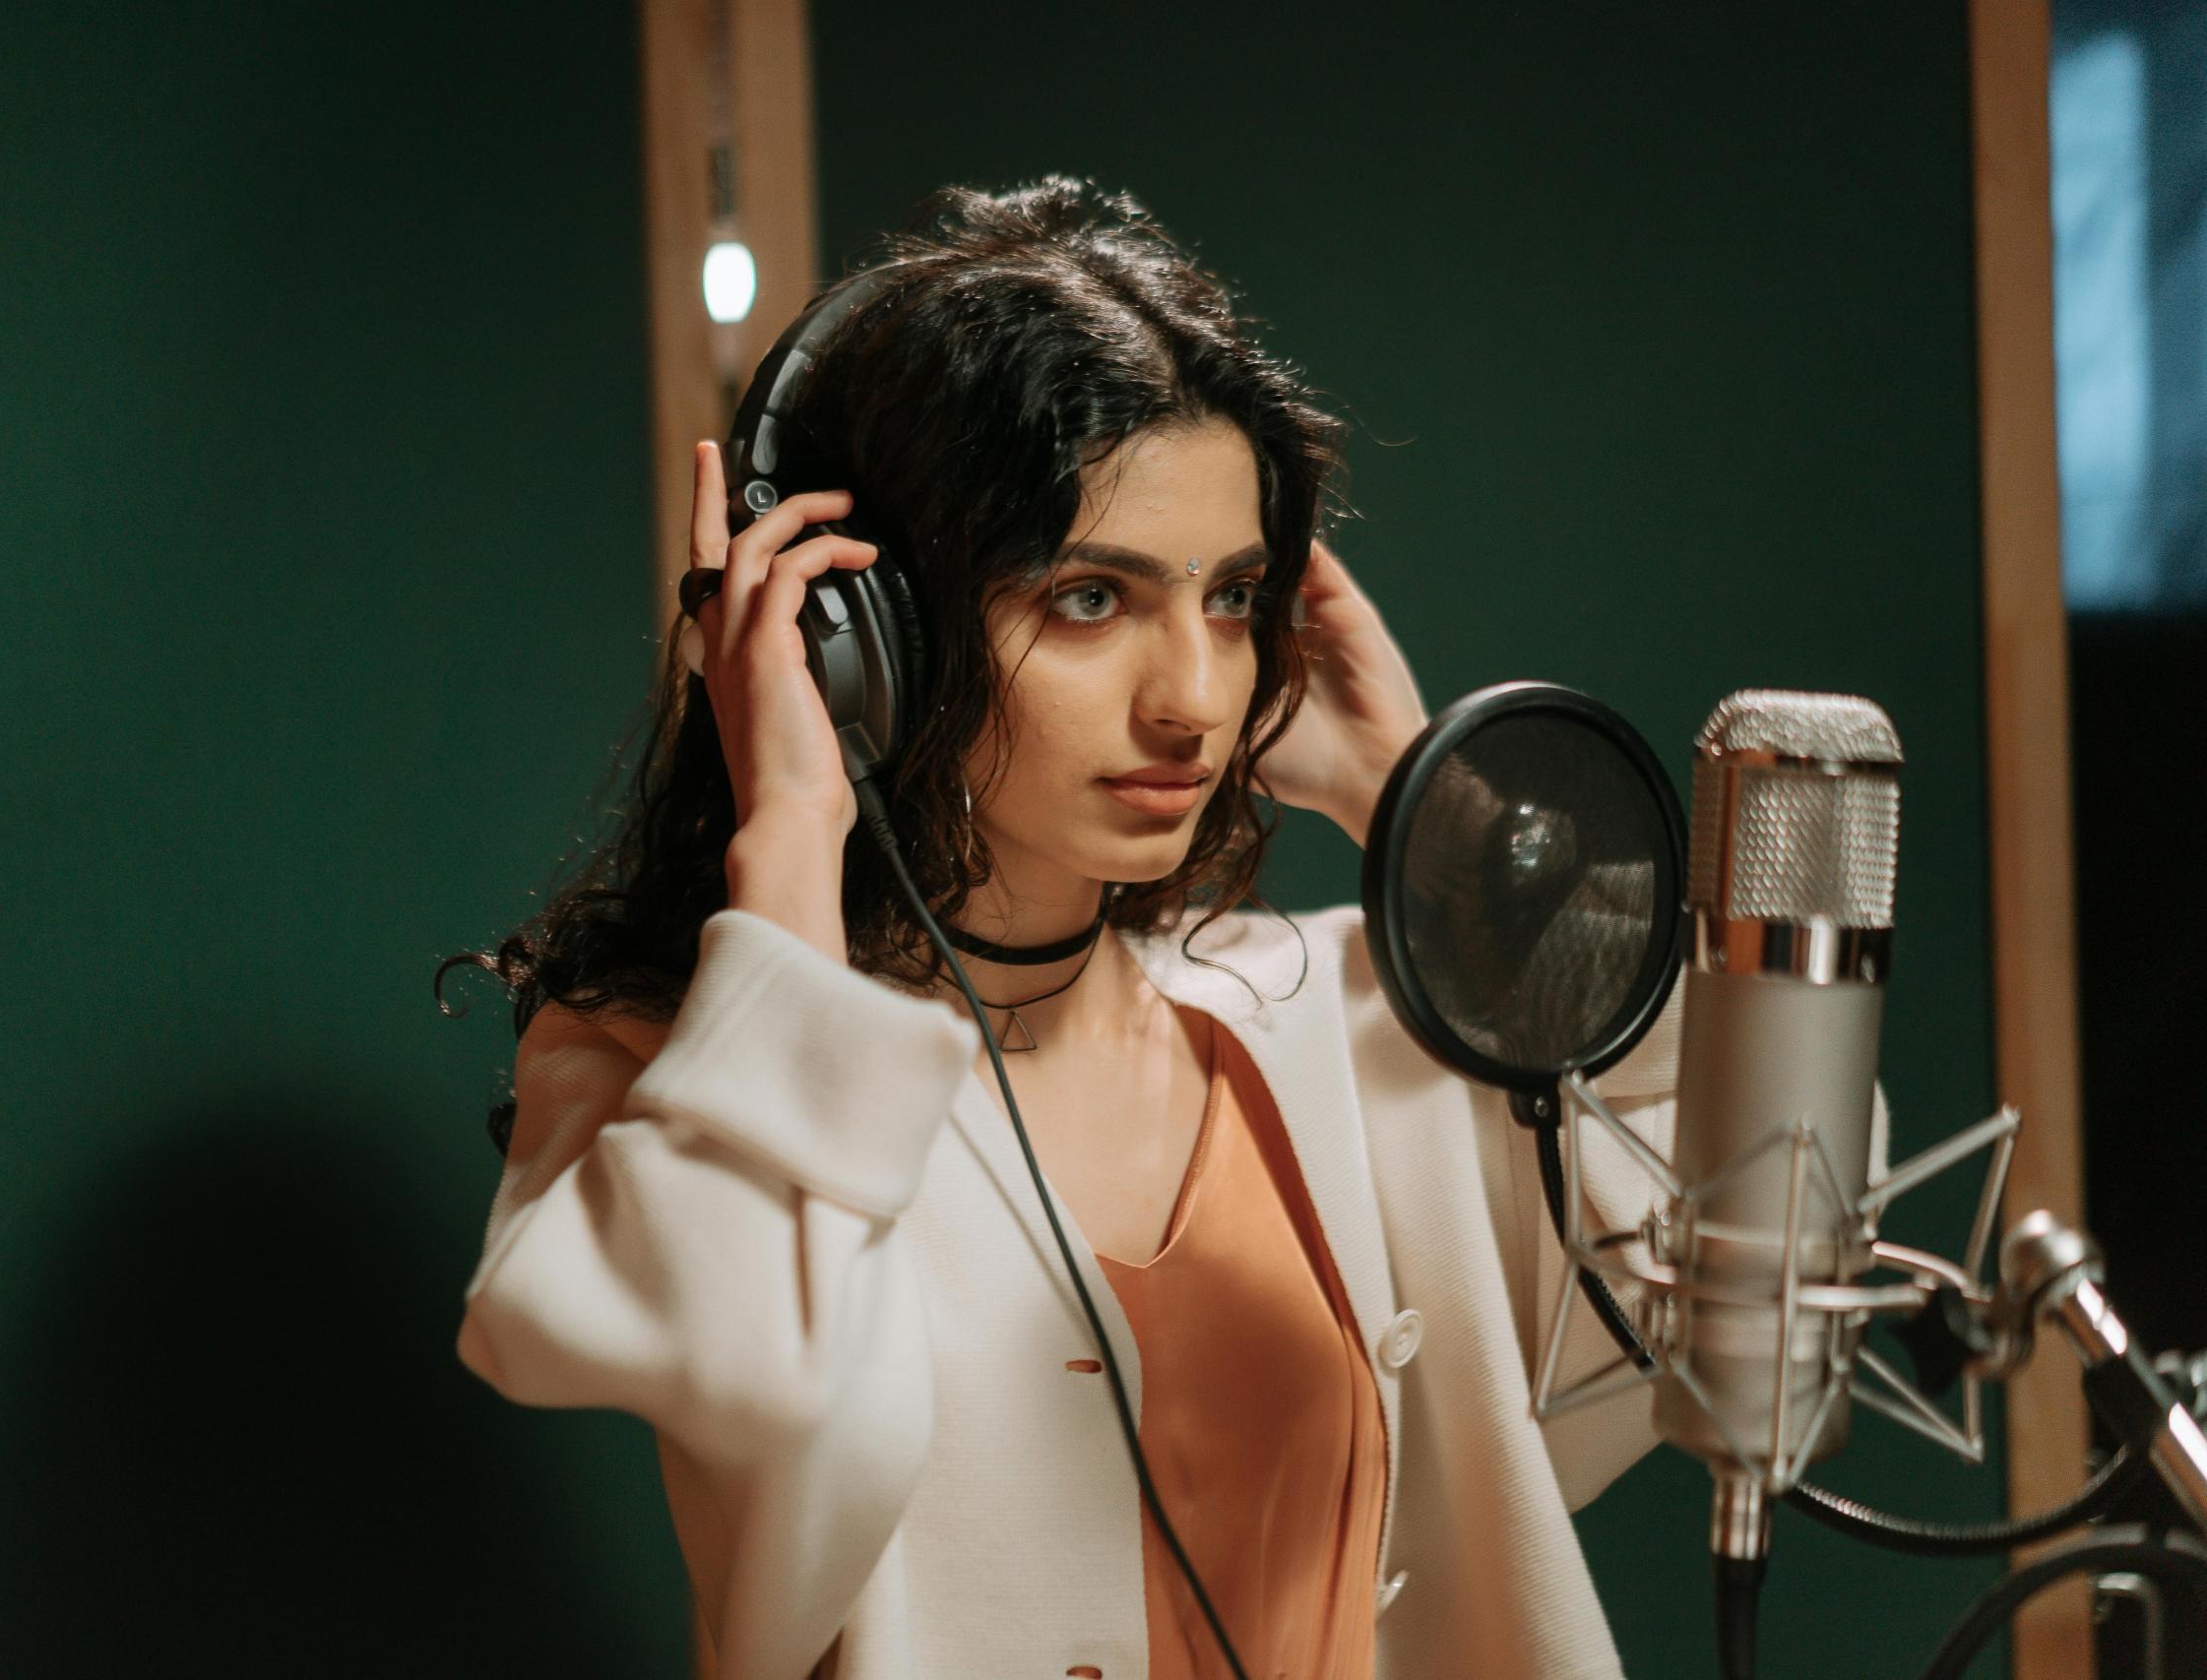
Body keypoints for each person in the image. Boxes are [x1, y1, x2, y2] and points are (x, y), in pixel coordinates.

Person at [447, 175, 1690, 1679]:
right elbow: (763, 1393)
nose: (1195, 700)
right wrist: (791, 829)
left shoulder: (1348, 1019)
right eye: (1092, 599)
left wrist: (1425, 813)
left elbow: (1744, 1256)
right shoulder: (670, 1074)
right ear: (869, 645)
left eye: (1230, 601)